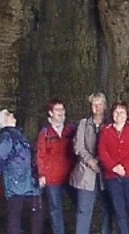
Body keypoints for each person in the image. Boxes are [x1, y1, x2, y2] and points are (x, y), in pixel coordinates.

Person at [99, 101, 129, 234]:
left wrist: (123, 165)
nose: (119, 115)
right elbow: (102, 152)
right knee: (119, 213)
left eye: (122, 112)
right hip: (112, 177)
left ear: (127, 114)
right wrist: (113, 167)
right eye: (116, 112)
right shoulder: (105, 130)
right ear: (112, 114)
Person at [0, 109, 44, 234]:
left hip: (28, 182)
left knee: (34, 214)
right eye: (8, 114)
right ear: (3, 120)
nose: (12, 115)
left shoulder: (18, 135)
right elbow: (0, 161)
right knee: (16, 217)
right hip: (16, 184)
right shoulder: (6, 137)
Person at [71, 92, 113, 234]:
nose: (97, 107)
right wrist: (90, 160)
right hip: (86, 173)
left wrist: (100, 160)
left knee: (107, 209)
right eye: (94, 104)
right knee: (83, 210)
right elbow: (78, 146)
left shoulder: (110, 125)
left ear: (105, 106)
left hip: (106, 173)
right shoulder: (83, 123)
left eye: (100, 104)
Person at [36, 99, 76, 234]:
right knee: (55, 209)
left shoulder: (71, 129)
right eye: (57, 110)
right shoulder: (45, 133)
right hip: (52, 177)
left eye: (62, 109)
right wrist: (41, 174)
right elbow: (40, 154)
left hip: (71, 175)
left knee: (80, 204)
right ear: (50, 113)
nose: (61, 112)